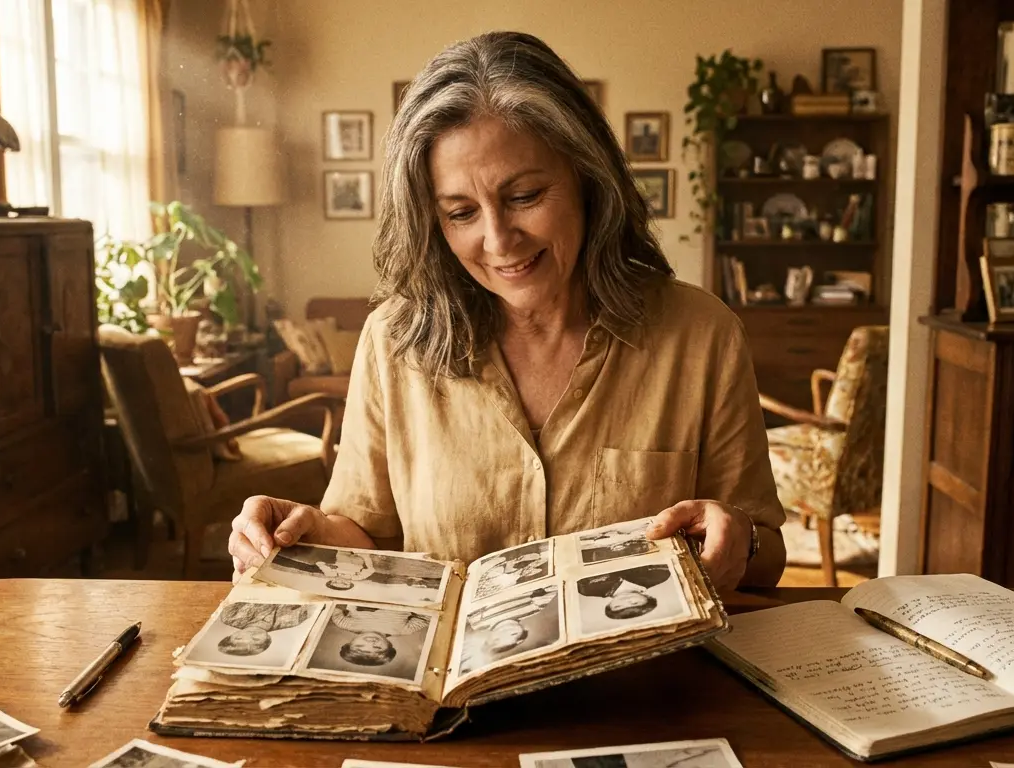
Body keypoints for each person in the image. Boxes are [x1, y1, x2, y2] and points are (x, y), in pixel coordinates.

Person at [227, 31, 786, 596]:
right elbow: (364, 531)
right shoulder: (392, 341)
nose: (498, 241)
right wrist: (298, 532)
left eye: (524, 197)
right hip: (452, 685)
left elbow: (764, 553)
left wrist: (742, 536)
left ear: (588, 181)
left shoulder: (702, 335)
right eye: (461, 212)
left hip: (645, 682)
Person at [329, 604, 431, 667]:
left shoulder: (345, 624)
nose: (370, 643)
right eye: (377, 647)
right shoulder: (404, 630)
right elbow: (427, 616)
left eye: (360, 646)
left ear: (350, 642)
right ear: (389, 645)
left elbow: (335, 606)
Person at [215, 602, 312, 657]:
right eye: (256, 639)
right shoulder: (292, 621)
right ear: (268, 638)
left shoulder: (229, 617)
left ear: (233, 634)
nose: (249, 635)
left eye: (238, 638)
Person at [577, 564, 671, 620]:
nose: (626, 601)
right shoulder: (660, 575)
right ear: (648, 597)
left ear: (609, 605)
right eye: (635, 603)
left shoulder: (587, 589)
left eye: (618, 606)